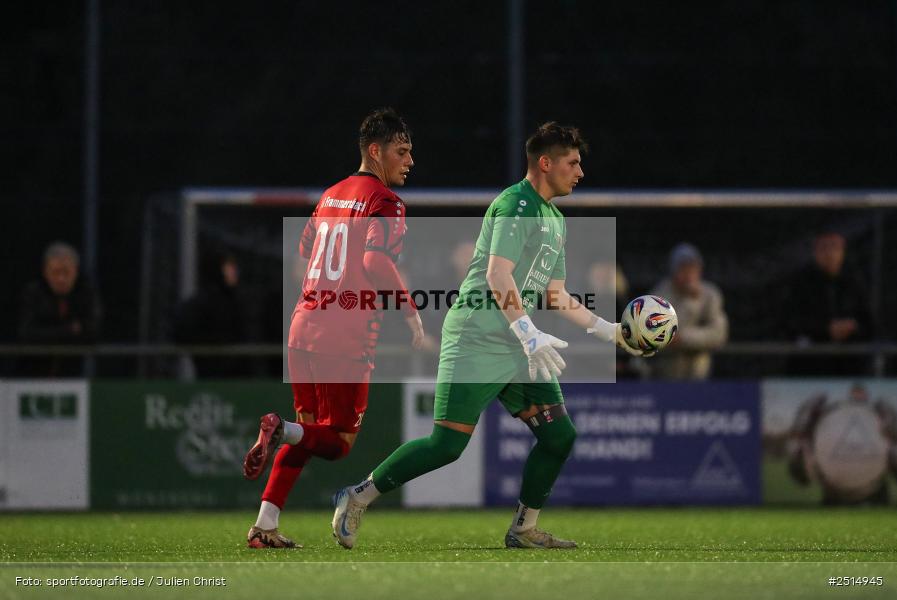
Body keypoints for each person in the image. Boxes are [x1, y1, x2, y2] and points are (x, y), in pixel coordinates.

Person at [331, 122, 648, 550]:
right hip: (477, 336)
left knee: (559, 437)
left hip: (519, 342)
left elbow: (554, 294)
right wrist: (528, 332)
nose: (580, 172)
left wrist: (609, 331)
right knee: (446, 445)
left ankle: (523, 528)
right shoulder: (516, 205)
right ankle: (357, 495)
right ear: (546, 163)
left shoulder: (554, 219)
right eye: (573, 163)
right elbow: (498, 275)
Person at [240, 108, 425, 548]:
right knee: (339, 441)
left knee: (307, 435)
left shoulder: (330, 195)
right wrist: (410, 310)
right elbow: (374, 260)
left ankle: (265, 526)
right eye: (402, 151)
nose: (410, 160)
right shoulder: (385, 201)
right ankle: (277, 428)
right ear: (376, 152)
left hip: (303, 327)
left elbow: (303, 255)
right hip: (344, 335)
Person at [785, 232, 872, 376]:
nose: (830, 253)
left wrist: (851, 327)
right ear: (815, 252)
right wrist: (826, 329)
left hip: (849, 368)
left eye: (835, 247)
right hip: (810, 367)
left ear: (843, 251)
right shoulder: (800, 284)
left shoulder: (854, 283)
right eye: (824, 248)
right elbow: (791, 322)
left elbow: (869, 324)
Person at [18, 242, 101, 377]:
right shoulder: (33, 293)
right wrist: (69, 330)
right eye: (56, 272)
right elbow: (27, 334)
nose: (61, 279)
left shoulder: (86, 293)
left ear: (76, 271)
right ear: (45, 272)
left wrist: (48, 331)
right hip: (32, 374)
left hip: (75, 374)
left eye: (66, 272)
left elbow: (92, 333)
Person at [647, 243, 728, 379]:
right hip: (664, 373)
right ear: (673, 271)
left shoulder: (710, 294)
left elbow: (719, 334)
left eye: (693, 268)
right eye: (683, 268)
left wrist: (684, 337)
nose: (688, 274)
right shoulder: (660, 294)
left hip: (699, 374)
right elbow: (651, 332)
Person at [174, 251, 254, 378]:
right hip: (211, 374)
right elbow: (182, 330)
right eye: (228, 268)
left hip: (240, 376)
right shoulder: (203, 301)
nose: (233, 272)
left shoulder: (239, 301)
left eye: (234, 268)